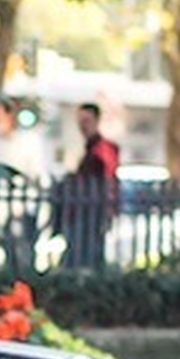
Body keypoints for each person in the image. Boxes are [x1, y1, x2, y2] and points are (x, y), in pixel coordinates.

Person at [56, 102, 120, 270]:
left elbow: (108, 179)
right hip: (83, 212)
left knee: (82, 258)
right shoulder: (89, 149)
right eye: (80, 121)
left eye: (86, 120)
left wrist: (109, 209)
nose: (82, 125)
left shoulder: (102, 150)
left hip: (92, 213)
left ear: (97, 121)